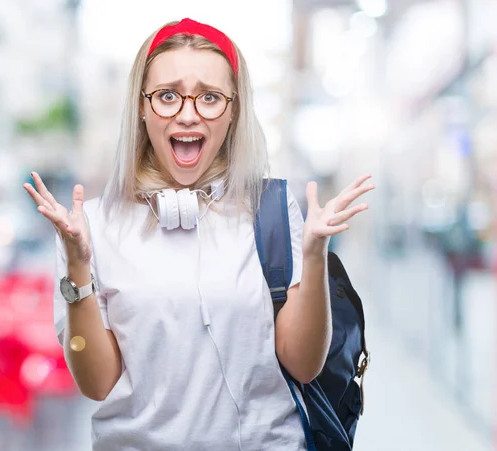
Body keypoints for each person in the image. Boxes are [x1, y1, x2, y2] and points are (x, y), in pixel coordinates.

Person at [23, 17, 374, 451]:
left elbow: (303, 365)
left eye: (210, 97)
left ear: (234, 110)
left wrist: (317, 254)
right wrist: (78, 268)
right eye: (167, 96)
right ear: (141, 107)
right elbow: (96, 383)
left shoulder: (270, 211)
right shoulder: (92, 226)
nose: (188, 114)